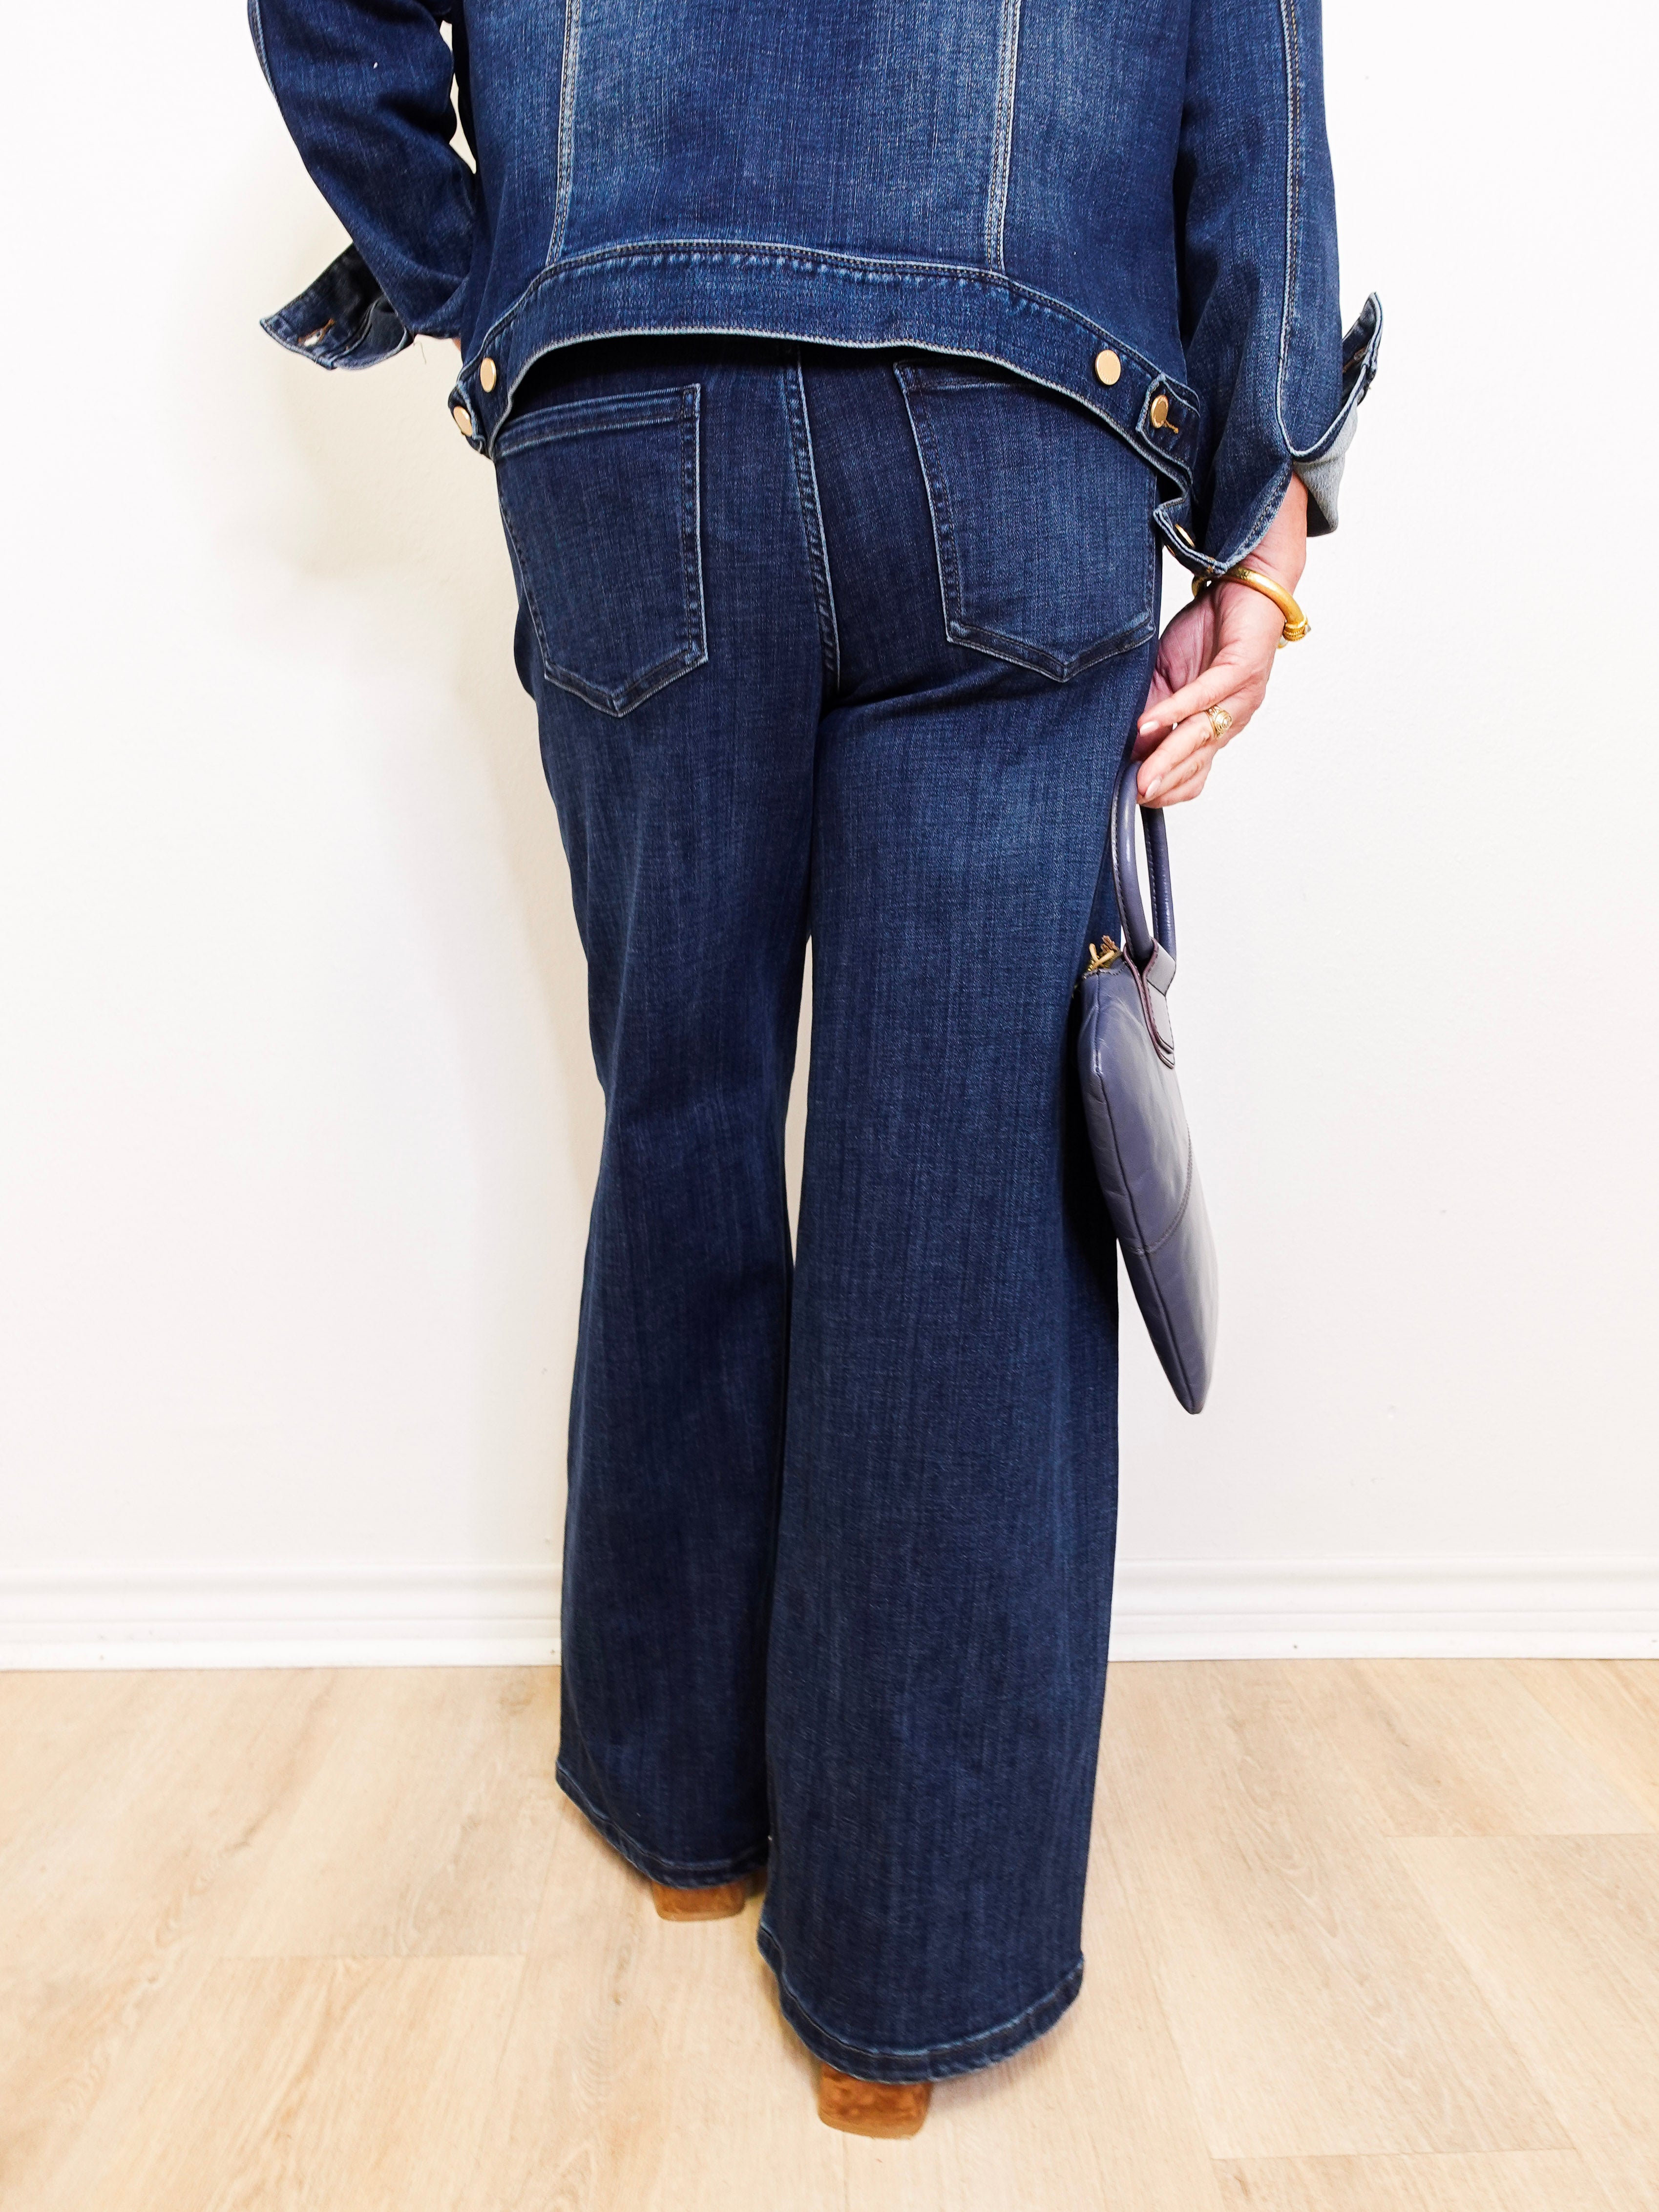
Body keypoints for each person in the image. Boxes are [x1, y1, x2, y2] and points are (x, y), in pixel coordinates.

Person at [251, 0, 1379, 2140]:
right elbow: (1253, 54)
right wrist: (1266, 488)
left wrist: (495, 280)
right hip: (1019, 395)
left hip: (624, 396)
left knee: (677, 1100)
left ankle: (682, 1809)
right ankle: (906, 1975)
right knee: (960, 1197)